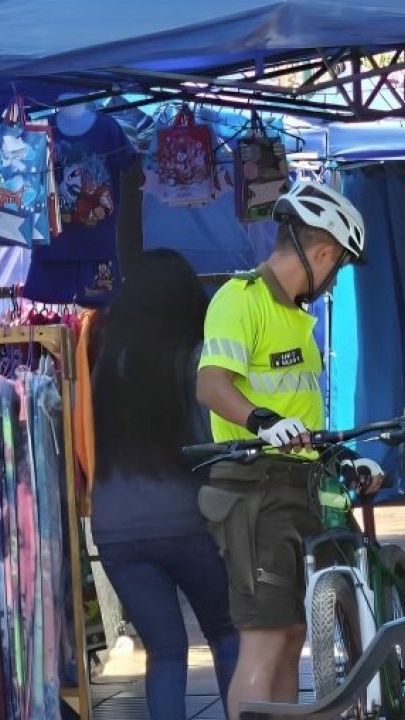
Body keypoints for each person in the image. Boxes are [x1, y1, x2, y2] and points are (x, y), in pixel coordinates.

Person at [194, 182, 382, 717]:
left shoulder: (298, 318)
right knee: (265, 636)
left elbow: (304, 416)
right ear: (322, 253)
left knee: (294, 630)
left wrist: (343, 461)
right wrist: (261, 420)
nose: (335, 277)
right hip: (252, 490)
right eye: (339, 266)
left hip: (297, 486)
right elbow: (211, 383)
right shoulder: (240, 299)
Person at [90, 250, 239, 720]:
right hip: (186, 521)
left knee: (166, 650)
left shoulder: (106, 362)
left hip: (114, 527)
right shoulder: (192, 359)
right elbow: (205, 440)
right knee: (225, 630)